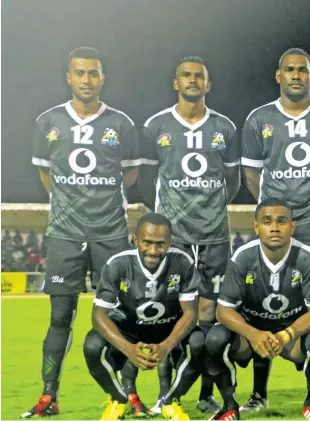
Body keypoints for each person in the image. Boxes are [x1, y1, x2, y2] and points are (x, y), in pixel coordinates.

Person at [22, 46, 140, 418]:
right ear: (68, 77)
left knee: (124, 316)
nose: (86, 80)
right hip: (65, 234)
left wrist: (101, 204)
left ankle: (127, 397)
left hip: (111, 233)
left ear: (102, 78)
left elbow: (130, 174)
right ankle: (48, 396)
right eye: (80, 73)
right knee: (60, 317)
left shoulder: (121, 124)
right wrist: (72, 208)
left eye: (93, 73)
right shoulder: (48, 121)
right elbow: (47, 176)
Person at [240, 47, 310, 414]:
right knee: (262, 306)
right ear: (278, 75)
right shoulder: (259, 119)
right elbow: (252, 173)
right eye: (289, 69)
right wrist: (275, 215)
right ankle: (258, 393)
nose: (295, 75)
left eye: (302, 70)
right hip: (276, 230)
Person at [138, 55, 240, 414]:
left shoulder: (225, 128)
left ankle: (206, 393)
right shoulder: (155, 126)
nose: (193, 80)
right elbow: (147, 179)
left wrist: (209, 210)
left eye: (199, 76)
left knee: (210, 317)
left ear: (208, 85)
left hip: (214, 237)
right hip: (175, 239)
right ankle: (166, 395)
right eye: (186, 75)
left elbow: (232, 181)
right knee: (170, 317)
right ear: (176, 83)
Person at [205, 198, 310, 421]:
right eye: (267, 221)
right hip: (251, 334)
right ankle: (229, 405)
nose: (274, 227)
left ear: (292, 226)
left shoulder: (306, 257)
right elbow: (223, 311)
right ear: (256, 226)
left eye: (281, 221)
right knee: (215, 338)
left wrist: (286, 335)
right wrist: (253, 334)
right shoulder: (243, 257)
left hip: (291, 333)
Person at [83, 213, 203, 420]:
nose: (153, 251)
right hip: (130, 327)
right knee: (92, 346)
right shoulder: (118, 264)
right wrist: (128, 349)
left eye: (160, 244)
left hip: (167, 325)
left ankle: (171, 401)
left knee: (201, 342)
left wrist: (167, 345)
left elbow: (191, 313)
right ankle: (119, 400)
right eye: (147, 243)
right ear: (135, 240)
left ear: (170, 242)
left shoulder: (182, 262)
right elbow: (98, 315)